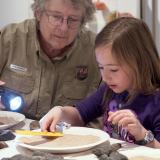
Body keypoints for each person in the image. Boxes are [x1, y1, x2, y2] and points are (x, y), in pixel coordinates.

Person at [40, 17, 160, 148]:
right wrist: (60, 112)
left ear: (140, 62)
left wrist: (142, 135)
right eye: (101, 67)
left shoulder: (156, 101)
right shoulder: (109, 90)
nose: (105, 77)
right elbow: (80, 114)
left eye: (113, 69)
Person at [0, 0, 101, 120]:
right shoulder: (8, 39)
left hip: (70, 136)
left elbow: (102, 116)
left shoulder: (97, 51)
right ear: (38, 13)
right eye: (56, 17)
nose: (63, 28)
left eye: (73, 20)